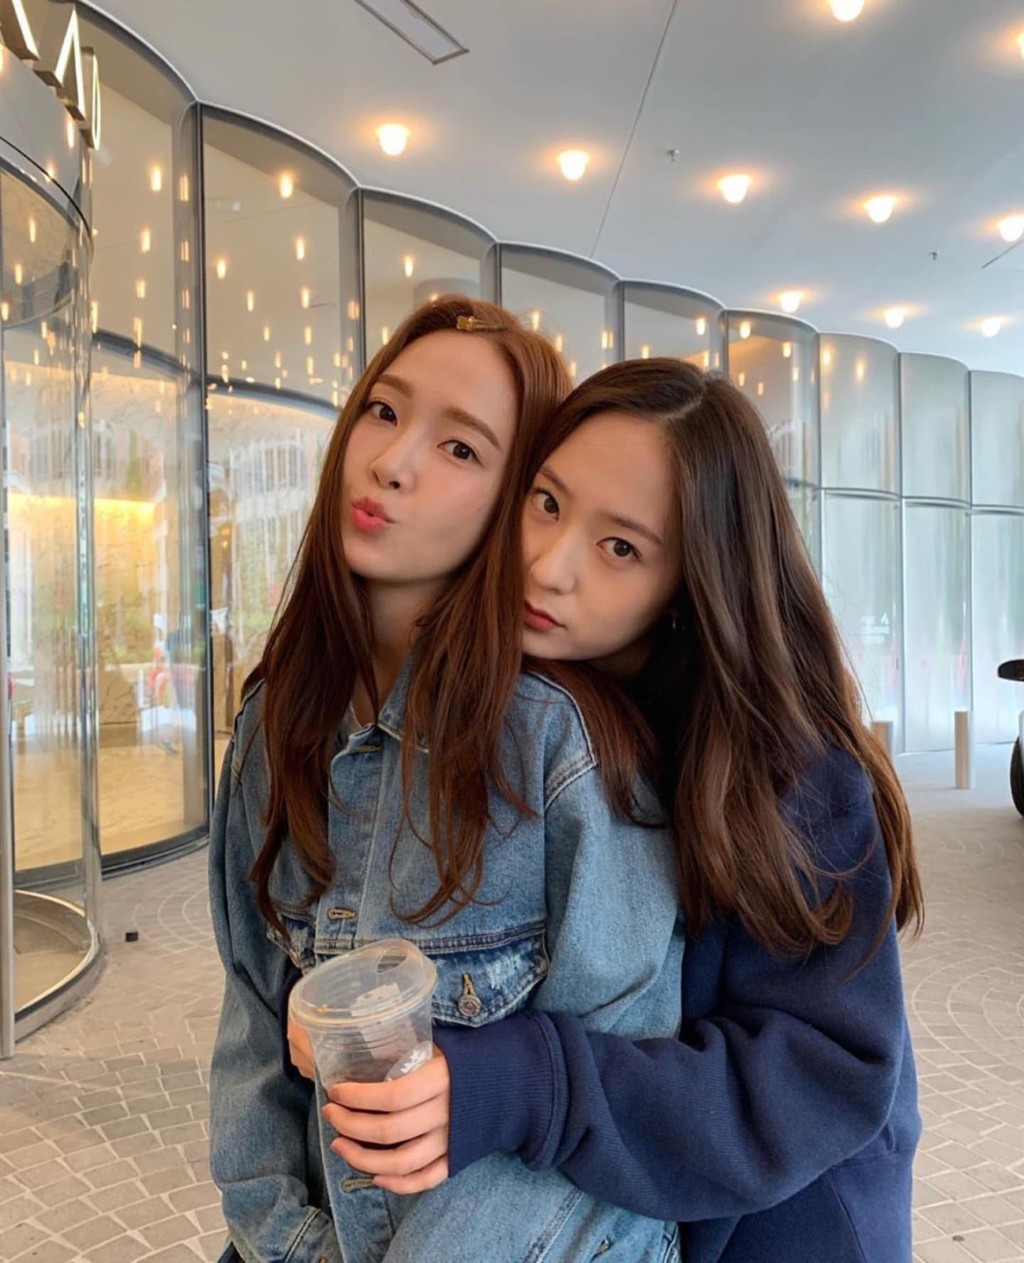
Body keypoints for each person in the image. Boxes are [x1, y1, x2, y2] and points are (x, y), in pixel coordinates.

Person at [310, 359, 924, 1263]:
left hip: (786, 1230)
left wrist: (531, 1085)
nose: (548, 566)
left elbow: (827, 1073)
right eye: (548, 503)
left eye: (621, 548)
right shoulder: (534, 708)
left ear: (695, 578)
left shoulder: (783, 765)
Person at [208, 300, 684, 1263]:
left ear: (514, 502)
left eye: (460, 448)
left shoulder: (554, 743)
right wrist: (286, 1245)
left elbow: (609, 1122)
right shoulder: (274, 721)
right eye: (383, 411)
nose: (393, 462)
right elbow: (253, 1037)